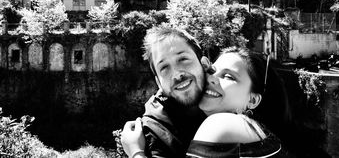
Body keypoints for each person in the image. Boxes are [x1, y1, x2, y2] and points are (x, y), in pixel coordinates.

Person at [122, 47, 292, 158]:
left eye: (228, 76)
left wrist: (135, 151)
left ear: (252, 99)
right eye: (211, 71)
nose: (212, 79)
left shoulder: (221, 124)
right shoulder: (260, 135)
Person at [124, 26, 210, 158]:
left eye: (183, 59)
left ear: (204, 64)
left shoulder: (231, 96)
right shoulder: (154, 130)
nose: (176, 74)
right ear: (159, 83)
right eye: (164, 67)